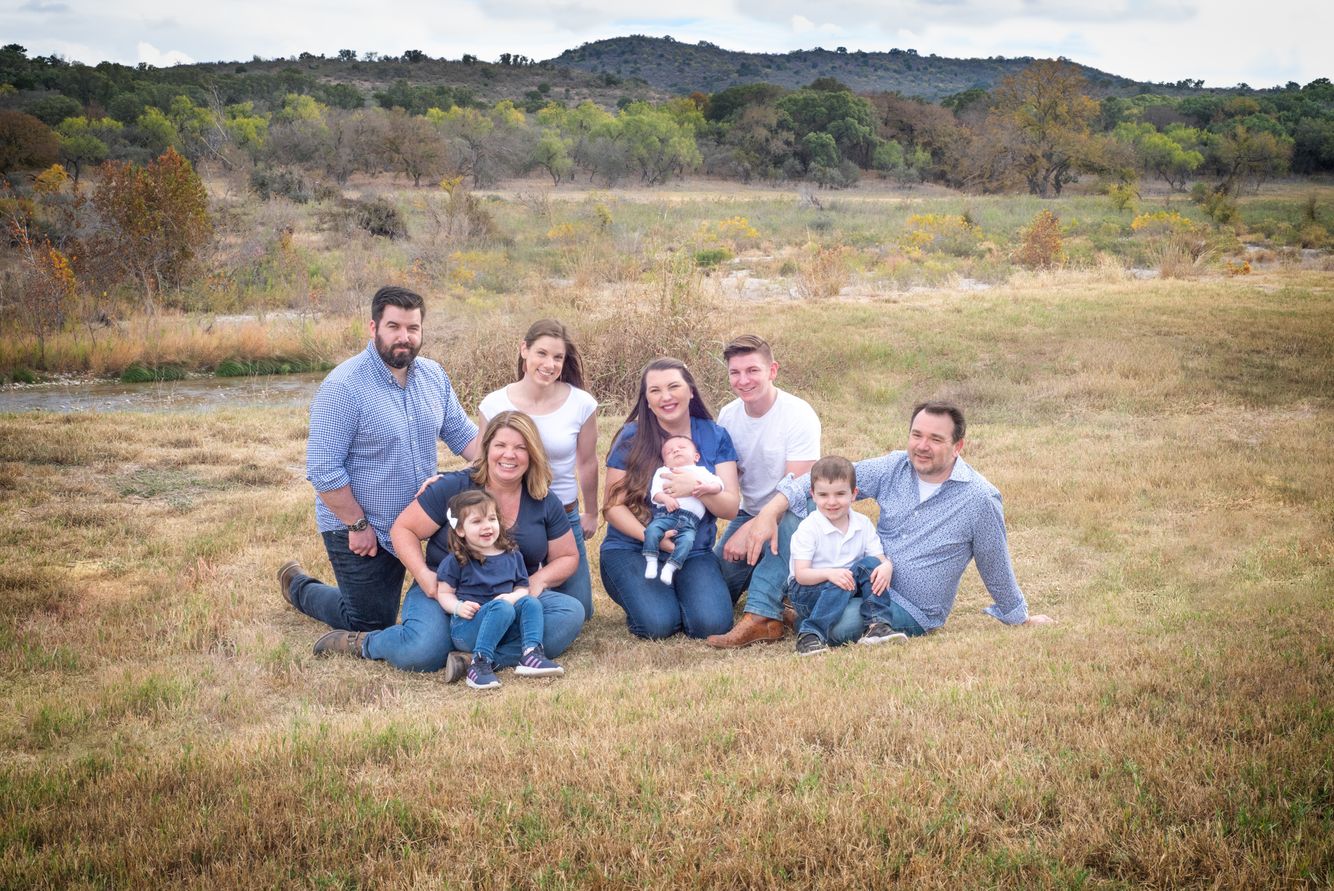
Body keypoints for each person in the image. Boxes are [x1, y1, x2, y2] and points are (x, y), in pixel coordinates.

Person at [279, 285, 479, 674]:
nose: (404, 337)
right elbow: (323, 470)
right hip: (362, 525)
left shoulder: (434, 376)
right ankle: (299, 587)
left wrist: (504, 466)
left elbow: (462, 434)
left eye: (413, 328)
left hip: (422, 517)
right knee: (371, 622)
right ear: (373, 328)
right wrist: (357, 525)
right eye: (394, 326)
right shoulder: (343, 387)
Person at [309, 412, 585, 680]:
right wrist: (425, 576)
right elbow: (403, 529)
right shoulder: (454, 487)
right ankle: (366, 643)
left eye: (520, 448)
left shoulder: (543, 500)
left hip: (508, 597)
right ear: (487, 449)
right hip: (447, 591)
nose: (509, 455)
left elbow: (567, 556)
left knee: (570, 613)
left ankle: (474, 660)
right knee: (423, 652)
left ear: (532, 454)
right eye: (500, 445)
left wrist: (538, 580)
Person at [749, 401, 1055, 641]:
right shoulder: (896, 466)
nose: (922, 446)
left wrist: (1019, 617)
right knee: (797, 506)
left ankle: (801, 614)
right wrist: (770, 510)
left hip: (911, 607)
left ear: (957, 446)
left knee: (839, 627)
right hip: (864, 580)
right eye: (917, 435)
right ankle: (764, 613)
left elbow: (995, 562)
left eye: (936, 439)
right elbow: (831, 476)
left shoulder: (979, 498)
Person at [600, 357, 741, 640]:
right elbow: (612, 507)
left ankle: (677, 592)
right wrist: (652, 538)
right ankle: (652, 601)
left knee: (712, 625)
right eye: (655, 391)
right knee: (659, 625)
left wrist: (696, 486)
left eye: (674, 386)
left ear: (690, 390)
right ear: (647, 400)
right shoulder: (632, 436)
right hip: (632, 547)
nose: (665, 397)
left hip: (693, 550)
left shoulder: (715, 436)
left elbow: (730, 507)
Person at [706, 335, 821, 649]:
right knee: (714, 596)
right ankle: (789, 597)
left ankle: (762, 615)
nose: (743, 380)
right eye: (735, 373)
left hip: (797, 509)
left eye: (752, 370)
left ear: (772, 371)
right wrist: (745, 522)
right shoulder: (728, 415)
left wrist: (755, 525)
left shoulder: (798, 414)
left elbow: (797, 486)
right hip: (750, 510)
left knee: (785, 523)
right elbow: (724, 479)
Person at [478, 319, 599, 618]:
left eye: (557, 357)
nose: (549, 364)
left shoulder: (581, 403)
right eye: (541, 354)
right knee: (504, 597)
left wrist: (592, 512)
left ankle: (534, 601)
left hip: (563, 513)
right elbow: (482, 463)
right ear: (524, 350)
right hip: (511, 516)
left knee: (581, 611)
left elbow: (587, 462)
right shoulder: (494, 404)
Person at [433, 490, 564, 690]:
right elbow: (444, 593)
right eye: (476, 522)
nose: (486, 526)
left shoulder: (512, 555)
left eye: (491, 519)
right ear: (460, 529)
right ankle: (479, 662)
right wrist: (458, 607)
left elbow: (522, 588)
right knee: (502, 608)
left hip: (503, 623)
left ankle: (531, 653)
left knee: (530, 602)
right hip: (468, 627)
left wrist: (513, 597)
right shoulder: (457, 559)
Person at [786, 456, 901, 657]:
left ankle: (877, 624)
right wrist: (830, 574)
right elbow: (801, 575)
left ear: (853, 494)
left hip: (847, 585)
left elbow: (877, 559)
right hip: (807, 590)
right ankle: (810, 634)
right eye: (823, 495)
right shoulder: (809, 528)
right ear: (813, 495)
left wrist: (887, 566)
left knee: (872, 565)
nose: (832, 502)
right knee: (843, 579)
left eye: (840, 494)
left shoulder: (862, 524)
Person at [642, 435, 724, 585]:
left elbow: (719, 484)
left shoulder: (701, 471)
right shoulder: (663, 471)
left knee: (687, 542)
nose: (676, 450)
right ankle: (651, 559)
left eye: (681, 447)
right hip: (666, 515)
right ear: (665, 461)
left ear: (696, 456)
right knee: (651, 531)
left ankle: (671, 567)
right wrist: (666, 499)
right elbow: (655, 494)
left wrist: (707, 488)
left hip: (690, 521)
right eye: (669, 451)